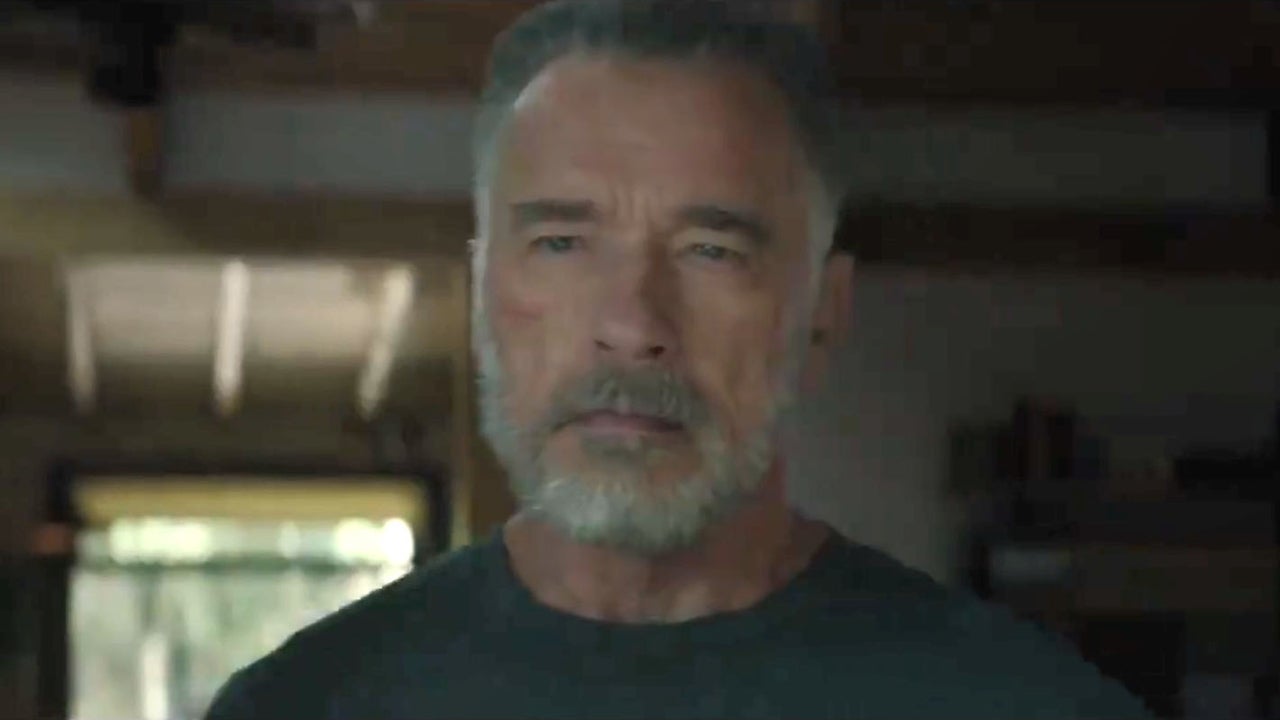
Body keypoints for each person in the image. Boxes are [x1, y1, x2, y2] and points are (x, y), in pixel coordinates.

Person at [205, 1, 1152, 718]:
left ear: (822, 314)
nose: (632, 324)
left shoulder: (1030, 707)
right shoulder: (300, 707)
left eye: (711, 251)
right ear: (486, 292)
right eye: (562, 244)